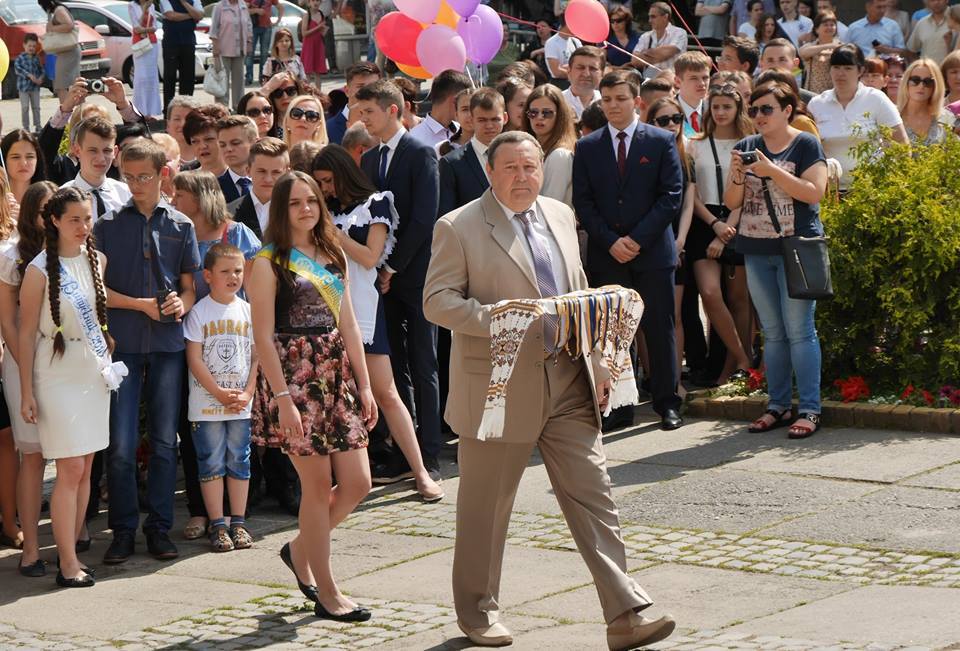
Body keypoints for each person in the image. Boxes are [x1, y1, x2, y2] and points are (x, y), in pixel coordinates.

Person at [424, 130, 676, 649]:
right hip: (497, 390)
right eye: (511, 168)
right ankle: (477, 613)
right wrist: (503, 321)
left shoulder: (560, 215)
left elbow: (577, 291)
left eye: (531, 167)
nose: (523, 177)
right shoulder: (459, 226)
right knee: (487, 511)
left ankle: (626, 612)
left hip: (568, 379)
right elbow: (437, 303)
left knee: (595, 496)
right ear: (490, 172)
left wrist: (601, 362)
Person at [248, 171, 376, 621]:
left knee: (359, 482)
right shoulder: (266, 262)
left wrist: (364, 384)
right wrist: (281, 397)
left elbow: (350, 324)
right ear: (281, 211)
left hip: (336, 373)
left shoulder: (332, 252)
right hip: (295, 379)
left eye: (312, 201)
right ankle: (327, 590)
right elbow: (262, 336)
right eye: (295, 203)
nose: (306, 209)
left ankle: (300, 549)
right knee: (317, 489)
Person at [314, 146, 443, 501]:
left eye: (328, 181)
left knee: (386, 392)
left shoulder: (376, 204)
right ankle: (343, 480)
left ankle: (421, 472)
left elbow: (371, 258)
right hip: (327, 310)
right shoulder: (323, 210)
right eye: (319, 183)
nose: (325, 188)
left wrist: (333, 234)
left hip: (367, 311)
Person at [94, 139, 200, 564]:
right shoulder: (105, 225)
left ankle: (158, 528)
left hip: (168, 346)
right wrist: (140, 306)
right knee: (119, 445)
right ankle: (122, 530)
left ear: (163, 176)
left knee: (164, 441)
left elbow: (190, 287)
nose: (136, 185)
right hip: (122, 346)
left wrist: (181, 303)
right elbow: (98, 291)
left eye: (144, 177)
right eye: (129, 177)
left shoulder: (181, 225)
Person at [573, 70, 684, 431]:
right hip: (609, 254)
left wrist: (637, 239)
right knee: (613, 333)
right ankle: (620, 405)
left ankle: (668, 402)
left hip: (652, 252)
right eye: (606, 100)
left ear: (636, 101)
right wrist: (610, 241)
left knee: (659, 327)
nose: (613, 106)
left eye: (620, 99)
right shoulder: (587, 146)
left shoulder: (661, 140)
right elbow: (584, 203)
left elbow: (671, 197)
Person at [18, 186, 115, 587]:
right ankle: (67, 563)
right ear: (54, 221)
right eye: (74, 219)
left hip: (90, 370)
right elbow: (24, 335)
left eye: (88, 218)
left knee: (87, 464)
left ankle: (72, 548)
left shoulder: (98, 260)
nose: (83, 226)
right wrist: (26, 392)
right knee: (70, 466)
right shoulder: (39, 270)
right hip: (54, 372)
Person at [723, 81, 827, 439]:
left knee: (800, 331)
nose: (758, 116)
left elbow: (815, 193)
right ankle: (778, 405)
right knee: (773, 333)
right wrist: (738, 173)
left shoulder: (806, 143)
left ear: (788, 110)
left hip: (795, 249)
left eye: (766, 109)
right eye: (754, 110)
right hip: (756, 249)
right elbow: (732, 202)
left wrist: (772, 171)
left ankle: (810, 409)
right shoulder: (746, 146)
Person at [355, 80, 442, 481]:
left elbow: (425, 218)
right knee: (393, 366)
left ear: (393, 110)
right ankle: (399, 451)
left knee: (424, 362)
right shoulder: (371, 159)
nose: (362, 119)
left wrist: (393, 267)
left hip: (415, 275)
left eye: (369, 111)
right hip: (380, 281)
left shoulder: (421, 152)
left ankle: (430, 453)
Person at [184, 243, 258, 552]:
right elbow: (195, 358)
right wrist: (217, 392)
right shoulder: (199, 312)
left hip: (241, 404)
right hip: (207, 406)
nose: (233, 277)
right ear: (208, 275)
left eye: (238, 270)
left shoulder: (248, 311)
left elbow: (257, 356)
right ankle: (217, 523)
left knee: (239, 460)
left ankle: (238, 521)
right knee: (211, 462)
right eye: (225, 271)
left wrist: (248, 391)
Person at [0, 182, 57, 574]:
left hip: (64, 365)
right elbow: (7, 319)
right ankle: (30, 546)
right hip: (23, 362)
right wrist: (26, 366)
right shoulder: (11, 255)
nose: (50, 220)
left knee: (71, 455)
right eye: (44, 213)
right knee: (32, 454)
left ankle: (71, 537)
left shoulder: (69, 251)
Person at [688, 84, 755, 385]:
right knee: (711, 293)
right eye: (715, 106)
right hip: (705, 221)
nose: (720, 112)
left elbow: (751, 189)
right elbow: (693, 194)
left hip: (740, 219)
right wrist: (715, 225)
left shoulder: (749, 144)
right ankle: (742, 356)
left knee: (740, 300)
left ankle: (736, 366)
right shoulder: (695, 144)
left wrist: (729, 226)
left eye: (727, 106)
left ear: (737, 109)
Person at [645, 98, 697, 382]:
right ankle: (654, 379)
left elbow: (688, 203)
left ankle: (674, 383)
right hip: (650, 240)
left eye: (676, 119)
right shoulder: (644, 154)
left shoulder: (686, 156)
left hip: (677, 241)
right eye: (663, 120)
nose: (672, 125)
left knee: (673, 316)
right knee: (646, 319)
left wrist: (680, 241)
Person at [807, 44, 908, 190]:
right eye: (836, 67)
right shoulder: (816, 104)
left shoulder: (876, 99)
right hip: (829, 191)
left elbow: (901, 144)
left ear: (860, 70)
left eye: (848, 68)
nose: (841, 73)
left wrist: (894, 184)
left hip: (871, 190)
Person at [172, 170, 261, 300]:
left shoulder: (237, 234)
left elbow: (254, 292)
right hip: (194, 319)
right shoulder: (177, 237)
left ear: (200, 198)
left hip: (233, 318)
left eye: (179, 195)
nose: (173, 202)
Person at [438, 89, 505, 219]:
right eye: (482, 120)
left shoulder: (517, 156)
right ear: (472, 120)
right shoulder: (452, 163)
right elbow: (446, 216)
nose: (489, 125)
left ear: (505, 118)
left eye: (495, 119)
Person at [59, 118, 132, 222]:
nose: (101, 158)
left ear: (115, 152)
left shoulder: (126, 194)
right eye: (93, 150)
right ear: (77, 150)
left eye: (107, 151)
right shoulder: (62, 197)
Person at [523, 84, 577, 205]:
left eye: (547, 113)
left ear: (560, 116)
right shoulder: (533, 149)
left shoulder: (560, 155)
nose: (539, 117)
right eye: (533, 112)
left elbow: (550, 204)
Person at [230, 138, 289, 241]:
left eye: (276, 172)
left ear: (287, 173)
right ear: (248, 171)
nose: (268, 179)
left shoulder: (296, 210)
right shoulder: (229, 213)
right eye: (261, 171)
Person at [409, 70, 472, 149]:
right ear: (454, 100)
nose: (471, 113)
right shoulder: (414, 139)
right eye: (466, 107)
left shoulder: (465, 131)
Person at [210, 0, 254, 110]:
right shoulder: (220, 6)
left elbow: (248, 24)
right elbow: (214, 28)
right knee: (222, 81)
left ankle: (238, 107)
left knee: (239, 81)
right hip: (223, 49)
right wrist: (215, 46)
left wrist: (249, 42)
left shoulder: (243, 5)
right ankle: (221, 109)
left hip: (240, 50)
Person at [160, 0, 203, 110]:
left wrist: (184, 2)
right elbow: (171, 16)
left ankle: (187, 108)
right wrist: (191, 15)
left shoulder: (194, 0)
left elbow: (200, 15)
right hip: (171, 42)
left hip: (188, 42)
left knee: (188, 77)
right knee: (170, 77)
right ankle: (168, 109)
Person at [326, 62, 382, 146]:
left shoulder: (385, 124)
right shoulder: (327, 129)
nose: (368, 92)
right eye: (361, 87)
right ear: (347, 91)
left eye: (373, 86)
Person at [897, 58, 951, 144]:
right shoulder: (892, 115)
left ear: (936, 86)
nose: (921, 86)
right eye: (915, 80)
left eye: (928, 82)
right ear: (906, 82)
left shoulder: (947, 118)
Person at [633, 2, 688, 79]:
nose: (649, 20)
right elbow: (635, 60)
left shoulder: (679, 32)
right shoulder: (645, 36)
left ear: (665, 17)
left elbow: (668, 52)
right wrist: (660, 54)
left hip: (672, 80)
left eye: (653, 17)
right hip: (648, 81)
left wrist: (645, 53)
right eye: (649, 17)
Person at [39, 0, 80, 104]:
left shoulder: (59, 10)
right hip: (67, 52)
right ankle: (77, 110)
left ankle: (66, 111)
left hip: (68, 52)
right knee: (73, 83)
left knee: (62, 84)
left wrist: (52, 28)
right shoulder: (59, 10)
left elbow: (69, 25)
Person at [1, 130, 46, 218]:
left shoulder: (48, 200)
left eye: (30, 157)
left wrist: (24, 221)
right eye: (16, 157)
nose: (23, 163)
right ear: (4, 160)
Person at [129, 0, 162, 119]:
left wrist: (145, 30)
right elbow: (136, 27)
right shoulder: (132, 6)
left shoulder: (152, 6)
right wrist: (144, 10)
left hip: (152, 43)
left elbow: (155, 27)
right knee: (141, 77)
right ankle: (140, 111)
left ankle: (150, 112)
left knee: (151, 77)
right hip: (140, 44)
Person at [216, 115, 257, 204]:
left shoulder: (270, 182)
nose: (228, 149)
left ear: (254, 143)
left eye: (235, 143)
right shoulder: (214, 187)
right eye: (222, 145)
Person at [184, 105, 231, 178]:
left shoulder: (242, 179)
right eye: (195, 141)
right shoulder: (186, 182)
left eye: (209, 139)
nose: (202, 146)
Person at [800, 11, 841, 93]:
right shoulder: (810, 46)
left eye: (832, 25)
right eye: (825, 25)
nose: (829, 27)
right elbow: (803, 53)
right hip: (812, 93)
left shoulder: (841, 47)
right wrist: (830, 46)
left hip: (834, 93)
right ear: (816, 29)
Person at [675, 51, 713, 137]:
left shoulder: (714, 110)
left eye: (705, 77)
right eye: (694, 78)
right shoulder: (666, 111)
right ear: (677, 81)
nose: (702, 83)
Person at [563, 46, 605, 120]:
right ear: (569, 71)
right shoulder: (556, 102)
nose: (586, 74)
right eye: (580, 68)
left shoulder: (607, 103)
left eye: (593, 69)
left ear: (602, 74)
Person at [245, 0, 281, 84]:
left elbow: (280, 7)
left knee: (264, 53)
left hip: (266, 28)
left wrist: (277, 21)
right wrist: (256, 11)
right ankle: (249, 77)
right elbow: (243, 10)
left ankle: (263, 77)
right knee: (249, 53)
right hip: (252, 27)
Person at [14, 34, 43, 133]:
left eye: (34, 46)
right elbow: (18, 69)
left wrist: (40, 78)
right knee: (25, 107)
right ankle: (26, 127)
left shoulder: (36, 58)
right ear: (24, 45)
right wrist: (29, 75)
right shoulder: (20, 58)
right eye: (29, 46)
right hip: (23, 88)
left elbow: (41, 70)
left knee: (36, 107)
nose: (31, 48)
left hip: (35, 88)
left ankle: (38, 126)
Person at [907, 0, 951, 64]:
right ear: (927, 2)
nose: (936, 2)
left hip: (952, 72)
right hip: (928, 71)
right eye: (932, 0)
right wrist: (918, 68)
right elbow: (911, 51)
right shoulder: (922, 23)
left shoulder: (957, 19)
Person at [166, 96, 203, 171]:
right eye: (177, 119)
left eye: (188, 119)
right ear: (168, 124)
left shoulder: (208, 154)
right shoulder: (159, 155)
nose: (183, 124)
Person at [544, 15, 583, 84]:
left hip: (575, 83)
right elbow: (556, 72)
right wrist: (575, 72)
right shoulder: (552, 43)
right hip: (560, 84)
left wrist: (569, 68)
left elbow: (583, 63)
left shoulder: (576, 42)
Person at [300, 0, 328, 87]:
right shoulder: (306, 15)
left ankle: (319, 94)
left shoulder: (321, 14)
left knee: (318, 72)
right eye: (313, 1)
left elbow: (322, 33)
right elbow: (304, 33)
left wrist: (324, 29)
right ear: (309, 3)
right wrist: (318, 27)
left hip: (318, 45)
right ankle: (307, 94)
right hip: (309, 45)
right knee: (307, 71)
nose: (315, 3)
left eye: (318, 1)